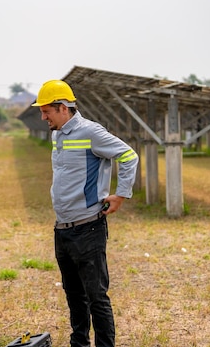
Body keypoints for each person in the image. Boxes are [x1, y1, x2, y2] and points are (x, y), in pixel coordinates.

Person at [32, 80, 139, 347]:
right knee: (73, 294)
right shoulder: (57, 134)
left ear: (62, 108)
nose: (43, 117)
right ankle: (78, 343)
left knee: (96, 296)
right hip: (63, 229)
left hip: (88, 228)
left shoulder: (91, 132)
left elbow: (128, 156)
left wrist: (121, 194)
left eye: (46, 111)